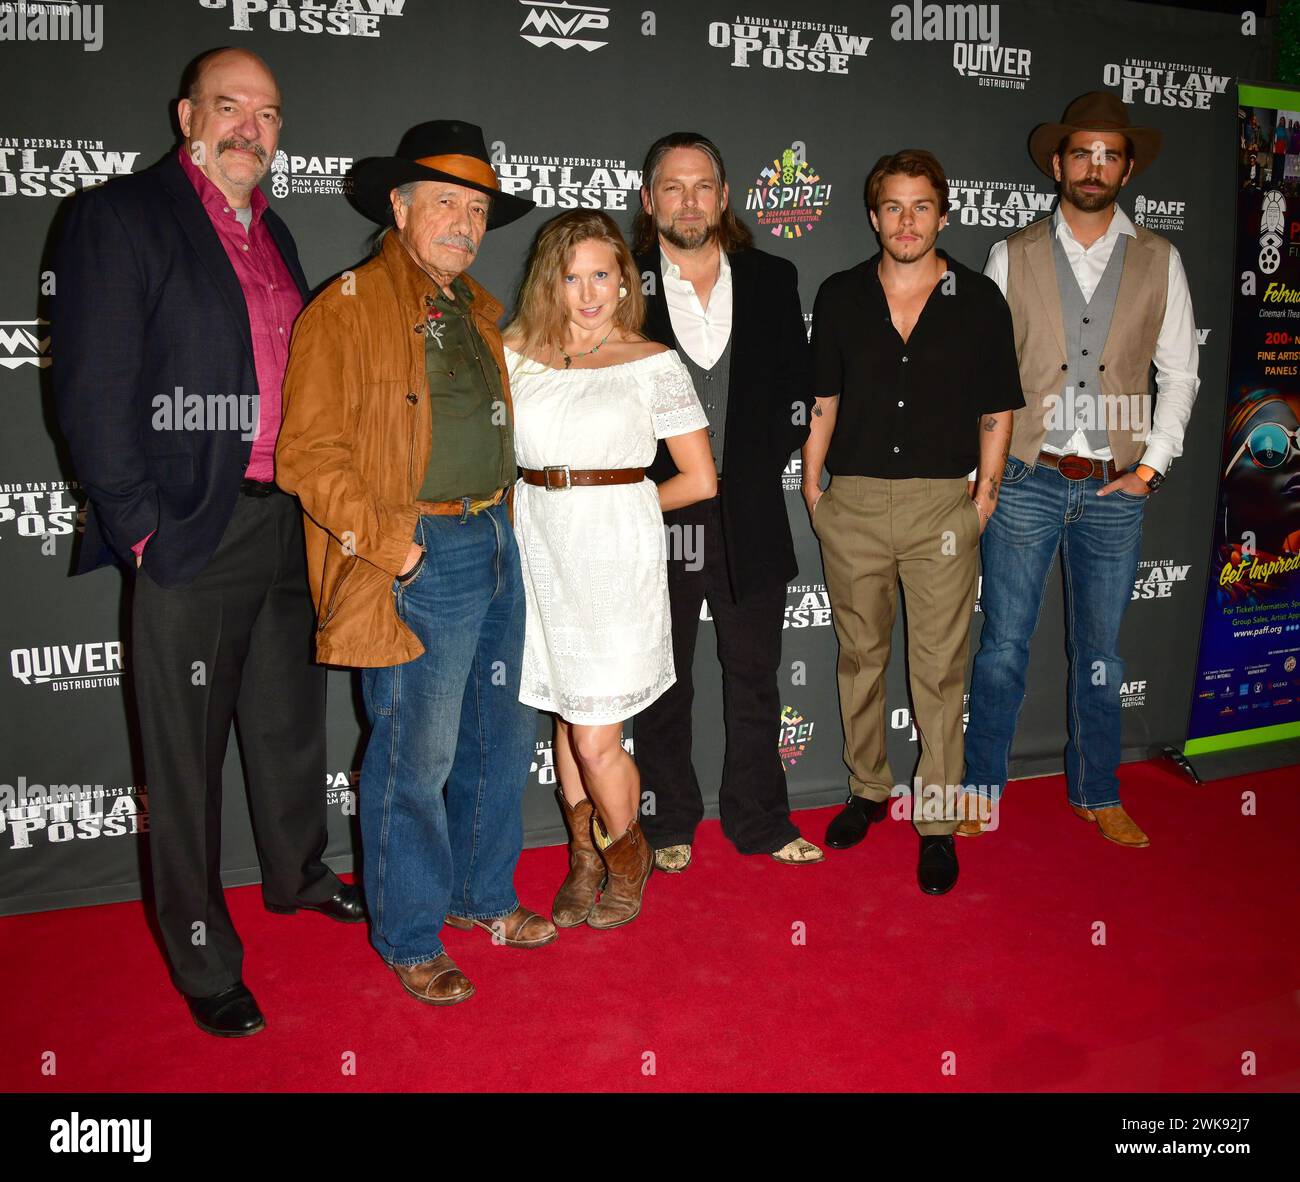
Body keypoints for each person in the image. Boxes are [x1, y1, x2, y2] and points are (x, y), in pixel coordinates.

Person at [52, 48, 362, 1039]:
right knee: (182, 760)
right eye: (230, 107)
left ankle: (297, 875)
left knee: (285, 725)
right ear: (188, 113)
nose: (249, 128)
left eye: (267, 114)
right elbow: (91, 391)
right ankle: (200, 955)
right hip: (190, 525)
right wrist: (138, 524)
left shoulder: (277, 236)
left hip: (284, 517)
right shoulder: (123, 216)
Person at [277, 120, 555, 1007]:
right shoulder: (347, 305)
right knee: (415, 757)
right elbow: (308, 456)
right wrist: (392, 543)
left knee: (501, 740)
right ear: (398, 206)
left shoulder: (477, 308)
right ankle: (409, 936)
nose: (465, 224)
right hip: (420, 551)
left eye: (477, 209)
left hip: (499, 538)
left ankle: (485, 897)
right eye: (446, 203)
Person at [960, 92, 1200, 847]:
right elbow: (986, 378)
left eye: (1109, 154)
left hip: (1112, 490)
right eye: (1081, 153)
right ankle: (980, 792)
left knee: (1101, 654)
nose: (1094, 167)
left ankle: (1098, 791)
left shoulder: (1162, 259)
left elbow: (1181, 375)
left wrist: (1152, 468)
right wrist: (990, 476)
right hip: (1029, 480)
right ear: (1058, 163)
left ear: (1127, 167)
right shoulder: (1013, 253)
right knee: (1001, 647)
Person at [802, 149, 1022, 895]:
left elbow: (998, 409)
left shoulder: (981, 300)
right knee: (859, 657)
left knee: (938, 670)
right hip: (854, 500)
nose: (906, 220)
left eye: (920, 206)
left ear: (943, 214)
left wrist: (984, 496)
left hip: (942, 507)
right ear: (873, 217)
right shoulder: (839, 295)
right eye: (892, 206)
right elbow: (823, 400)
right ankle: (868, 790)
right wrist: (812, 484)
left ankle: (935, 819)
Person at [503, 210, 715, 928]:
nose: (589, 292)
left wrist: (624, 508)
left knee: (596, 733)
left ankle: (629, 853)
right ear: (549, 283)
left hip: (614, 559)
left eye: (603, 274)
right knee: (568, 718)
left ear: (624, 279)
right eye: (572, 278)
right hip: (539, 549)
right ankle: (584, 858)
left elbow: (700, 478)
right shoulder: (514, 355)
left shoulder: (652, 361)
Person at [630, 131, 823, 872]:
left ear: (725, 196)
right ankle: (669, 819)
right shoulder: (622, 281)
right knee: (662, 678)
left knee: (755, 676)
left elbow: (793, 389)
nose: (688, 200)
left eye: (702, 185)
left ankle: (761, 821)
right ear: (650, 201)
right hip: (656, 511)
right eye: (672, 187)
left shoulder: (773, 276)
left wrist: (747, 467)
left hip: (749, 513)